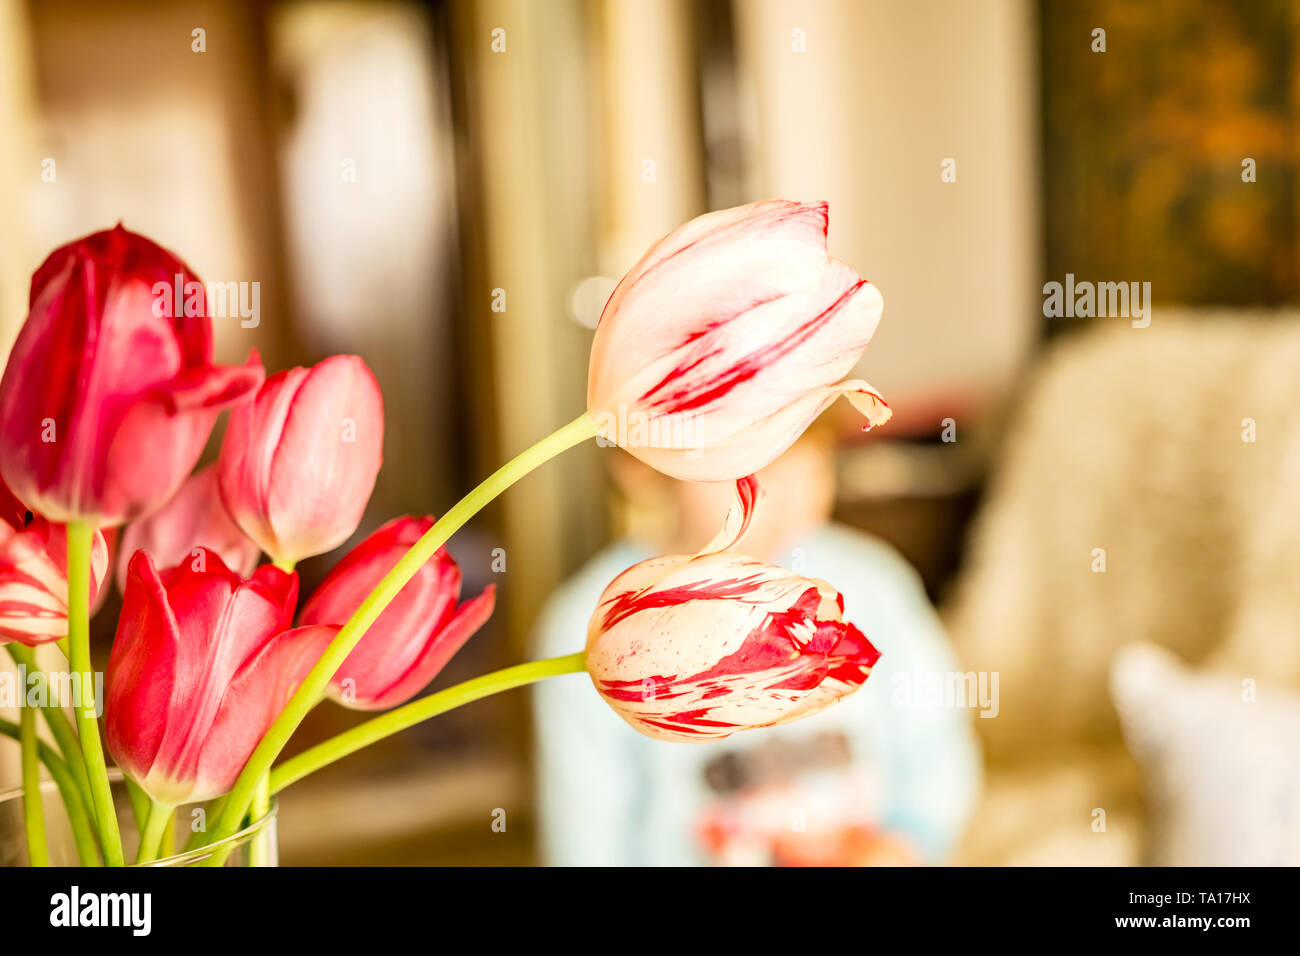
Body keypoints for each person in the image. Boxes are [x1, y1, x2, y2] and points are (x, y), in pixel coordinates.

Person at [531, 423, 980, 865]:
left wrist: (902, 848)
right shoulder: (588, 631)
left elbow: (936, 755)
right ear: (639, 464)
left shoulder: (876, 587)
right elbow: (587, 833)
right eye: (751, 465)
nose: (786, 495)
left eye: (814, 463)